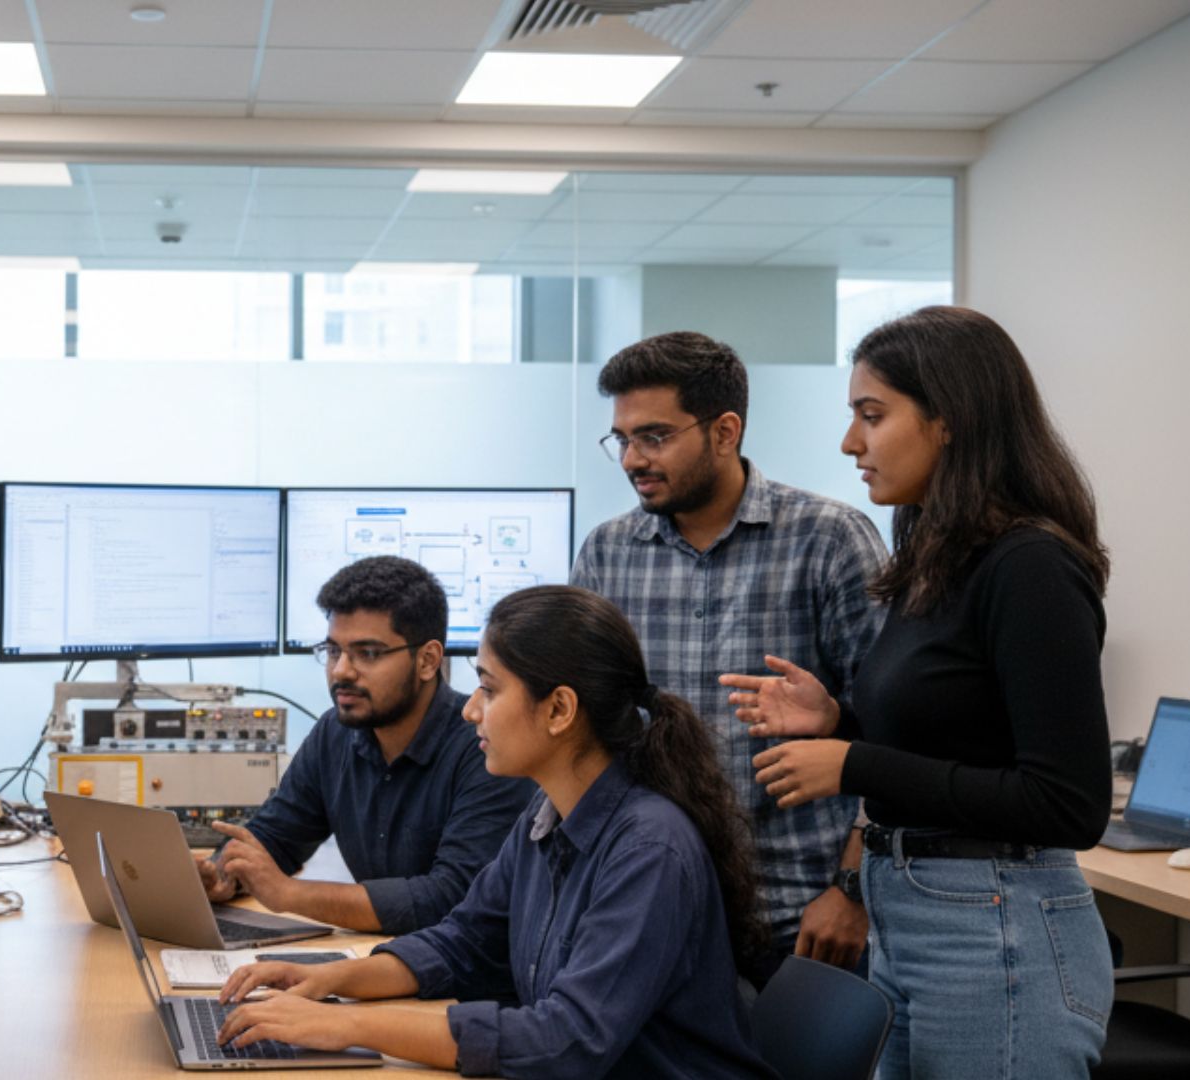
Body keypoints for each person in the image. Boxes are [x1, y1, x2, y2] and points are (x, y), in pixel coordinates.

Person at [723, 305, 1114, 1078]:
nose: (850, 443)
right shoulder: (933, 551)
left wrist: (853, 762)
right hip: (913, 916)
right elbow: (957, 731)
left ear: (950, 421)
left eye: (873, 415)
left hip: (996, 928)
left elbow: (1069, 804)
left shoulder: (1030, 567)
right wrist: (840, 718)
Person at [213, 586, 776, 1080]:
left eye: (489, 688)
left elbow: (566, 1040)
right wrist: (330, 979)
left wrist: (346, 1023)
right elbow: (463, 942)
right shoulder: (547, 815)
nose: (470, 711)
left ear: (558, 710)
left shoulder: (648, 850)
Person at [570, 331, 887, 985]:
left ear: (724, 431)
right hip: (653, 912)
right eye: (622, 439)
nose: (632, 458)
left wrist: (852, 889)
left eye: (653, 436)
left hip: (802, 920)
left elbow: (893, 738)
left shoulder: (828, 540)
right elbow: (585, 733)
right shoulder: (607, 554)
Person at [198, 556, 532, 933]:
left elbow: (453, 898)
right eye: (334, 650)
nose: (341, 670)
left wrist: (290, 894)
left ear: (427, 660)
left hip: (458, 977)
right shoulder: (335, 734)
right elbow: (275, 838)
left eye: (368, 653)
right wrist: (221, 874)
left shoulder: (485, 747)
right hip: (381, 959)